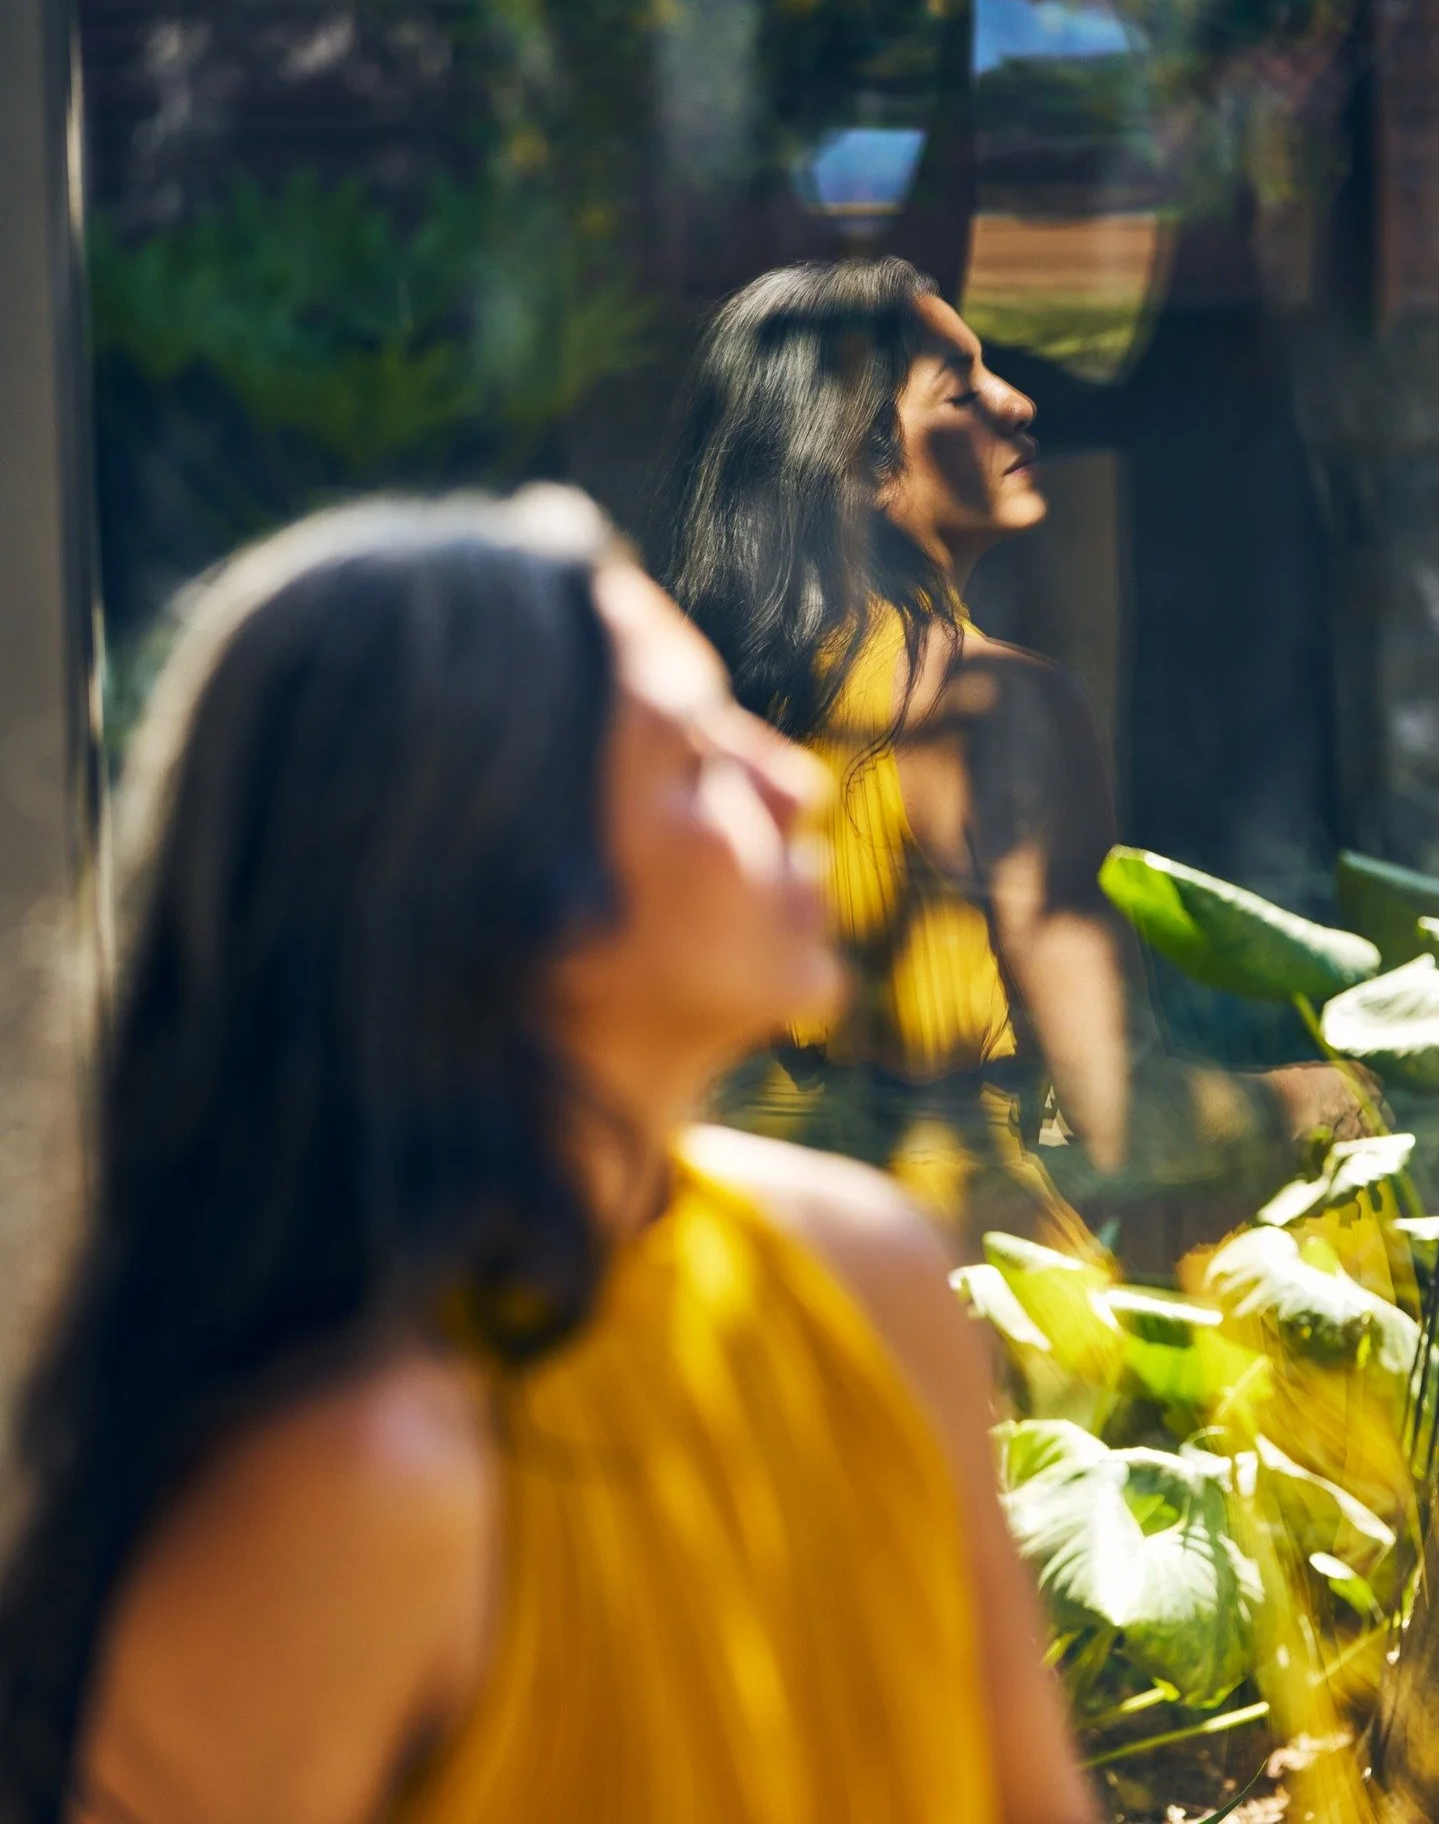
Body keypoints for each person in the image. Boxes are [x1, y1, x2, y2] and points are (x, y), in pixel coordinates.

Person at [0, 488, 1097, 1824]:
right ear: (479, 885)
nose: (796, 777)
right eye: (690, 759)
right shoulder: (354, 1488)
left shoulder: (863, 1269)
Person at [652, 257, 1376, 1243]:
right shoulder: (995, 706)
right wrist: (1342, 1099)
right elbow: (1119, 1117)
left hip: (746, 1279)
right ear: (860, 468)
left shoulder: (705, 722)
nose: (1017, 401)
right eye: (960, 390)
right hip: (960, 1292)